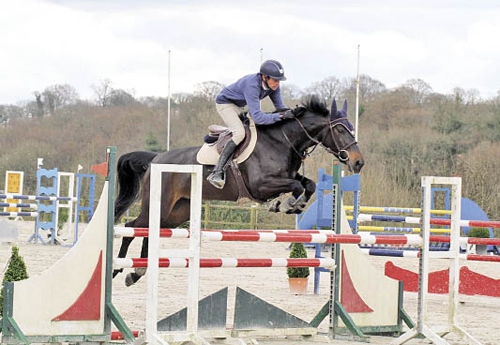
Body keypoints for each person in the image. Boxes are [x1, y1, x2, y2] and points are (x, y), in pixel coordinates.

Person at [207, 59, 294, 189]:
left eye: (279, 80)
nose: (277, 83)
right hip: (225, 104)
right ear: (265, 77)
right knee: (239, 133)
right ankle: (217, 172)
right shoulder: (252, 85)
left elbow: (280, 107)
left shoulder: (273, 86)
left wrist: (293, 113)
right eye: (275, 80)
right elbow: (258, 117)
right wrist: (280, 116)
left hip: (241, 106)